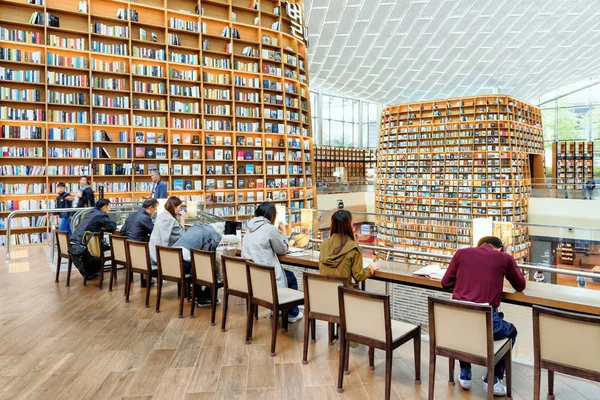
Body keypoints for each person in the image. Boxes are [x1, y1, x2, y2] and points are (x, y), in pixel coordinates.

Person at [441, 236, 526, 397]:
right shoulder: (503, 258)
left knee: (466, 327)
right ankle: (492, 380)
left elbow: (445, 283)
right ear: (499, 248)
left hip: (457, 321)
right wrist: (509, 256)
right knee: (511, 331)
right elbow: (520, 285)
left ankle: (465, 374)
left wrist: (464, 283)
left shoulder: (461, 253)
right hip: (486, 323)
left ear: (478, 246)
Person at [242, 202, 303, 323]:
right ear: (271, 215)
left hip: (254, 276)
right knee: (291, 277)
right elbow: (283, 249)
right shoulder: (270, 229)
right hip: (268, 276)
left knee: (286, 275)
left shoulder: (249, 229)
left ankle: (280, 308)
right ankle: (292, 313)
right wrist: (284, 234)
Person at [319, 210, 378, 285]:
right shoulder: (353, 248)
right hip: (343, 294)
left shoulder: (324, 245)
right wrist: (370, 269)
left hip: (325, 291)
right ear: (349, 225)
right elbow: (358, 276)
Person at [172, 222, 222, 307]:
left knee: (197, 263)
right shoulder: (213, 234)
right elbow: (210, 251)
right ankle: (204, 298)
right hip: (184, 264)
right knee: (209, 266)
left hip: (171, 261)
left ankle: (198, 295)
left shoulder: (194, 227)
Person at [148, 196, 186, 265]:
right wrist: (182, 220)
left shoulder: (160, 216)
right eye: (179, 207)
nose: (180, 210)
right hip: (161, 259)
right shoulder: (170, 220)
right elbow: (183, 237)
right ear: (174, 207)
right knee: (191, 264)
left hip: (152, 255)